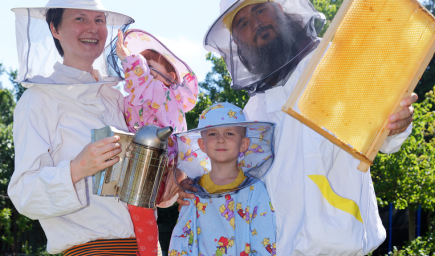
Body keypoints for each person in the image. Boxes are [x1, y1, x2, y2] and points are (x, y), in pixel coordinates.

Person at [176, 0, 419, 255]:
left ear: (280, 9)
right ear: (237, 43)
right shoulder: (252, 112)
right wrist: (199, 187)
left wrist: (397, 123)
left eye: (259, 9)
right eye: (243, 23)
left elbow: (385, 133)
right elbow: (240, 181)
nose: (256, 23)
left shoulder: (334, 63)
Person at [7, 1, 177, 255]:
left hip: (149, 248)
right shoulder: (38, 100)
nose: (93, 28)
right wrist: (77, 168)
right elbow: (24, 195)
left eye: (99, 20)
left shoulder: (118, 99)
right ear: (54, 28)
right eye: (79, 19)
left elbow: (149, 192)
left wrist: (169, 180)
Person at [115, 29, 198, 255]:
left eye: (150, 68)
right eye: (143, 66)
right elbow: (120, 104)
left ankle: (150, 252)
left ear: (170, 78)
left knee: (140, 211)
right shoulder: (145, 96)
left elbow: (140, 85)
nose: (144, 72)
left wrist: (128, 59)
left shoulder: (164, 94)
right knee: (139, 212)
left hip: (152, 167)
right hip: (147, 165)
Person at [169, 103, 277, 255]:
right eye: (213, 134)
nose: (221, 139)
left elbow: (264, 243)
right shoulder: (193, 192)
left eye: (230, 133)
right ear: (202, 144)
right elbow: (181, 241)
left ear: (243, 144)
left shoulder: (254, 190)